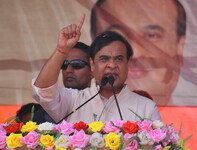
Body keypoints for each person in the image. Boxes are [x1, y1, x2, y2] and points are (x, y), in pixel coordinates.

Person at [32, 14, 161, 123]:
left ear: (128, 65)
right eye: (104, 59)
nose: (112, 65)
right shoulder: (73, 100)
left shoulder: (146, 108)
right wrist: (62, 49)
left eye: (119, 59)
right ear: (92, 65)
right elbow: (42, 91)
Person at [90, 0, 186, 105]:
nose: (135, 53)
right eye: (117, 36)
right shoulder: (74, 113)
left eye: (151, 36)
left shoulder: (194, 120)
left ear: (179, 48)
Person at [33, 42, 92, 124]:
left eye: (77, 64)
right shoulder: (44, 114)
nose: (68, 70)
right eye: (64, 65)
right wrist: (61, 49)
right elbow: (41, 89)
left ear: (93, 70)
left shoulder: (103, 106)